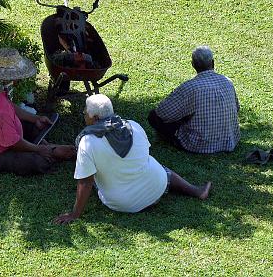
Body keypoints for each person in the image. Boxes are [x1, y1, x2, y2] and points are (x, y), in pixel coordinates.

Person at [54, 94, 211, 224]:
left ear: (95, 118)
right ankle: (197, 191)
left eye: (85, 113)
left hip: (122, 204)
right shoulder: (134, 126)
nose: (84, 116)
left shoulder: (87, 142)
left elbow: (85, 182)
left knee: (91, 173)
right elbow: (143, 153)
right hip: (157, 188)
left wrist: (74, 214)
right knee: (157, 165)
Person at [0, 48, 76, 176]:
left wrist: (36, 118)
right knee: (38, 163)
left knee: (37, 126)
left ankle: (48, 147)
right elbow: (13, 143)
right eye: (14, 77)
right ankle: (50, 150)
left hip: (3, 132)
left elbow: (9, 106)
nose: (17, 81)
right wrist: (39, 150)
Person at [148, 46, 240, 154]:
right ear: (213, 63)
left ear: (193, 65)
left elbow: (161, 113)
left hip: (199, 145)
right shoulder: (227, 82)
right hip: (229, 141)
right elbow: (237, 108)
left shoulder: (190, 87)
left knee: (153, 116)